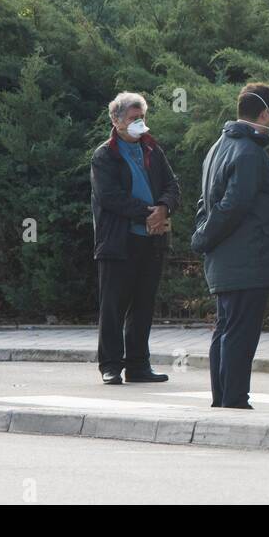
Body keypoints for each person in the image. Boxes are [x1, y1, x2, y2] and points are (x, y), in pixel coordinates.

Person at [190, 83, 269, 409]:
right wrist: (204, 237)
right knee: (240, 332)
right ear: (265, 113)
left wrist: (203, 236)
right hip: (248, 261)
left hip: (226, 260)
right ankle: (235, 400)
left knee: (225, 328)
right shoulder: (251, 153)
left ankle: (222, 398)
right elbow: (233, 206)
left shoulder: (219, 146)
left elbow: (205, 203)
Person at [90, 92, 181, 385]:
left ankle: (139, 365)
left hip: (151, 241)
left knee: (143, 305)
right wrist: (148, 213)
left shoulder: (153, 149)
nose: (138, 123)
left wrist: (164, 207)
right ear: (116, 121)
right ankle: (111, 365)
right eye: (132, 118)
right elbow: (110, 197)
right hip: (119, 241)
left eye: (141, 117)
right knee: (114, 306)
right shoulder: (105, 155)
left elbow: (172, 184)